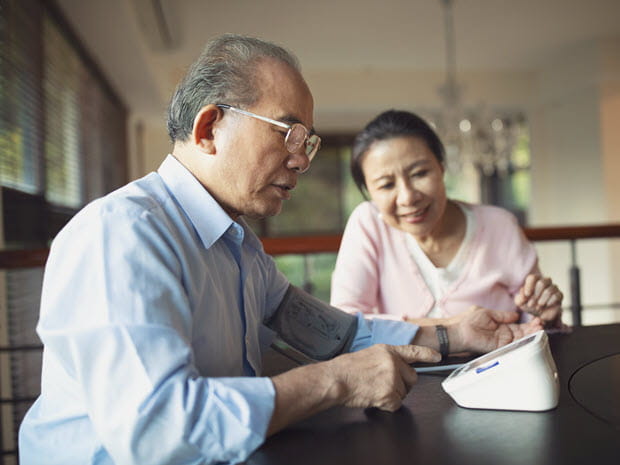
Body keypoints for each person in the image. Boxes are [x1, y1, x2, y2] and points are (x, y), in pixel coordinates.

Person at [19, 36, 542, 465]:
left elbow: (333, 334)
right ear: (208, 129)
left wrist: (454, 332)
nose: (302, 160)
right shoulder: (123, 234)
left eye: (309, 142)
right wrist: (337, 382)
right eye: (289, 133)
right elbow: (160, 431)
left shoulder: (240, 248)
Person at [331, 109, 563, 328]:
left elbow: (532, 322)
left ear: (441, 168)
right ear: (369, 192)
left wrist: (544, 316)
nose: (408, 197)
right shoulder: (369, 224)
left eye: (420, 173)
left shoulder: (499, 225)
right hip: (407, 371)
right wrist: (453, 328)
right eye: (386, 184)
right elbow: (346, 324)